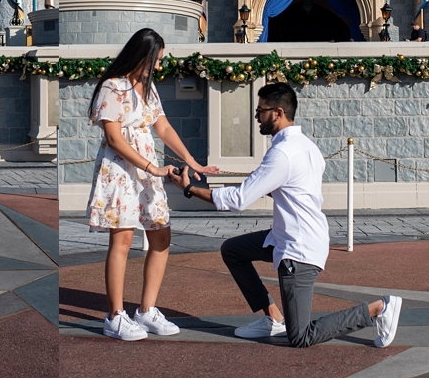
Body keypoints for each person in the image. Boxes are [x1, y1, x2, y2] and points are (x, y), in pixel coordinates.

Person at [172, 82, 403, 349]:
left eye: (261, 111)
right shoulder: (307, 146)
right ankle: (272, 318)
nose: (257, 117)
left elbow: (238, 200)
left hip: (298, 248)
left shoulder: (282, 153)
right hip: (286, 236)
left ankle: (378, 309)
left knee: (301, 337)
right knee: (233, 250)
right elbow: (294, 190)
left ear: (278, 112)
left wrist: (189, 188)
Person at [87, 28, 219, 341]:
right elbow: (114, 139)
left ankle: (146, 310)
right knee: (121, 241)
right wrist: (153, 168)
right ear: (139, 55)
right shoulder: (112, 87)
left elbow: (163, 126)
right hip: (121, 170)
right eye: (154, 61)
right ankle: (115, 316)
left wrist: (192, 160)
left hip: (148, 169)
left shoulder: (148, 87)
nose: (157, 67)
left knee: (161, 236)